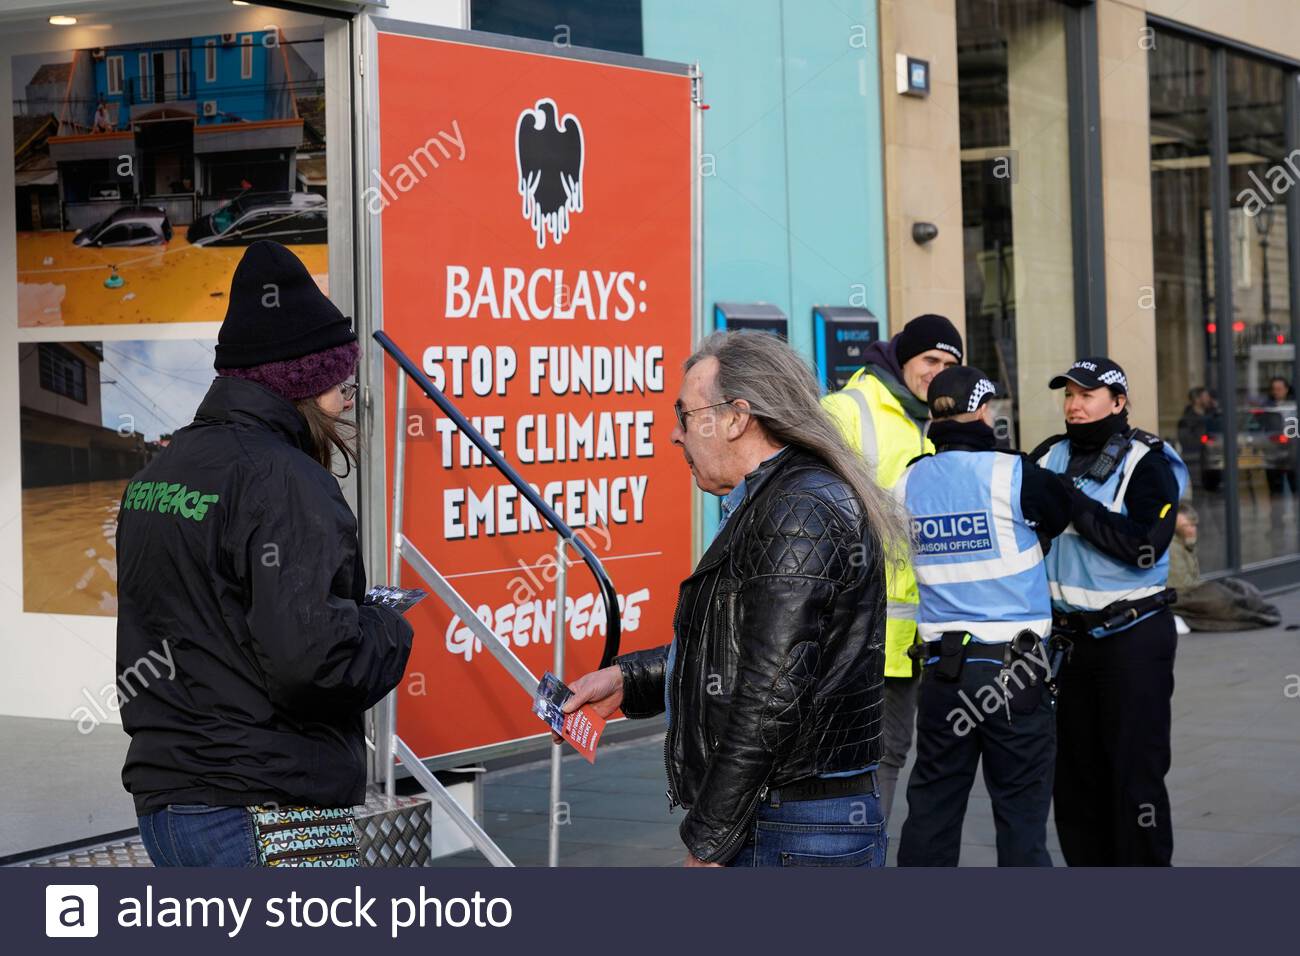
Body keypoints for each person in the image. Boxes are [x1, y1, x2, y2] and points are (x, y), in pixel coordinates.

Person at [116, 240, 414, 867]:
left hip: (169, 808)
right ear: (305, 381)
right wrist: (386, 628)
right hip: (268, 812)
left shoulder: (159, 473)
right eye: (339, 384)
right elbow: (315, 664)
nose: (345, 401)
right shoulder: (286, 481)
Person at [562, 330, 906, 867]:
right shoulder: (782, 498)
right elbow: (748, 650)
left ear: (736, 417)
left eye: (685, 415)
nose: (674, 435)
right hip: (787, 821)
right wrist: (631, 681)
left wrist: (710, 837)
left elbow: (771, 691)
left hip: (790, 827)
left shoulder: (797, 510)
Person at [894, 367, 1071, 866]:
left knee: (931, 808)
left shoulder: (909, 481)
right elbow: (1058, 510)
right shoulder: (1011, 474)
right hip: (1014, 674)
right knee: (1020, 816)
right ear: (981, 411)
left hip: (943, 673)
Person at [1030, 358, 1188, 866]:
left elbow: (1143, 545)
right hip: (1067, 644)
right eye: (1069, 395)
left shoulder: (1148, 463)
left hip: (1133, 640)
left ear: (1118, 402)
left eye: (1087, 395)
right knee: (1074, 781)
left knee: (1134, 778)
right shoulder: (1047, 456)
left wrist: (1072, 502)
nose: (1074, 406)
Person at [821, 313, 962, 823]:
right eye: (930, 360)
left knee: (892, 754)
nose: (937, 372)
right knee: (861, 762)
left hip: (914, 637)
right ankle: (850, 857)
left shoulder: (934, 422)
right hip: (856, 631)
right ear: (904, 356)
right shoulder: (848, 409)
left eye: (949, 363)